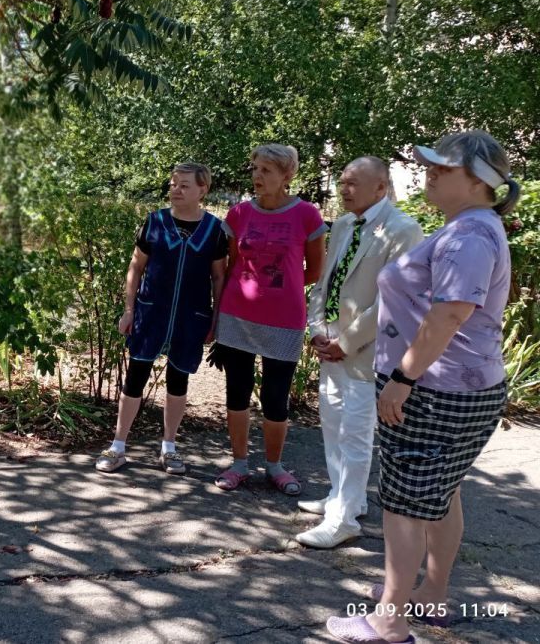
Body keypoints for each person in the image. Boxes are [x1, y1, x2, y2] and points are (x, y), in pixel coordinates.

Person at [326, 131, 520, 643]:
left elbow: (450, 314)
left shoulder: (468, 236)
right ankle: (431, 595)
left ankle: (389, 621)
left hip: (435, 390)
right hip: (457, 387)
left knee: (404, 505)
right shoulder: (470, 227)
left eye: (442, 168)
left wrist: (403, 379)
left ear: (481, 181)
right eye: (429, 165)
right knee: (440, 493)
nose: (430, 173)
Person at [298, 157, 423, 549]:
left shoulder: (404, 230)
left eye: (353, 183)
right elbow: (325, 282)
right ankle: (341, 497)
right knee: (332, 425)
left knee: (354, 432)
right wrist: (318, 329)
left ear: (381, 188)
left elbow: (392, 300)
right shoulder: (345, 225)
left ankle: (345, 520)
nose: (344, 189)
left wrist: (346, 342)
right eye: (342, 181)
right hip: (331, 345)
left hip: (368, 352)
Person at [209, 143, 326, 495]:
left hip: (284, 319)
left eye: (267, 171)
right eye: (255, 169)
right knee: (237, 392)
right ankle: (240, 464)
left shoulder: (307, 215)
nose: (258, 176)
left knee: (276, 397)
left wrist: (278, 290)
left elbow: (314, 271)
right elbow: (230, 267)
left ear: (287, 176)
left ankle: (275, 467)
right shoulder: (238, 213)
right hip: (236, 317)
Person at [95, 163, 227, 474]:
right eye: (172, 184)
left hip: (190, 316)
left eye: (183, 185)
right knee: (135, 376)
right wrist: (129, 309)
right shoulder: (154, 222)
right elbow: (135, 267)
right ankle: (118, 446)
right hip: (150, 312)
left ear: (202, 190)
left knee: (178, 379)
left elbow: (219, 276)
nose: (175, 190)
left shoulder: (214, 230)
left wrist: (215, 318)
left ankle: (169, 448)